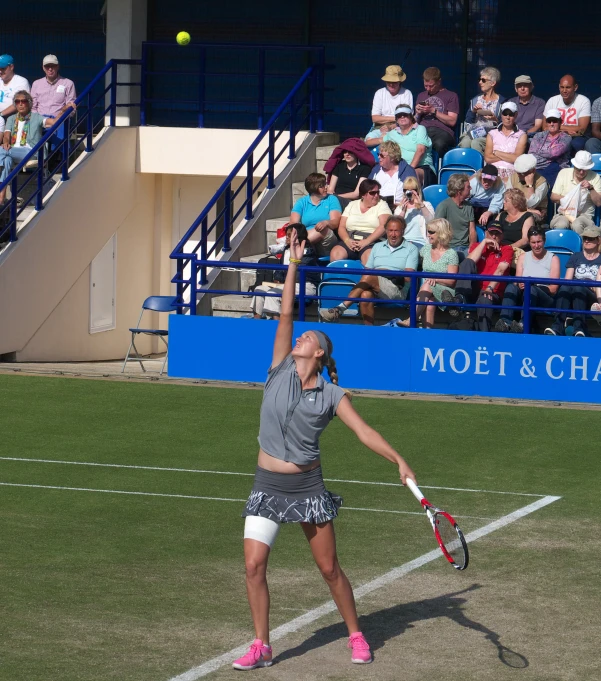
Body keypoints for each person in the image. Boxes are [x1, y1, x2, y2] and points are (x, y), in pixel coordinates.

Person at [234, 226, 416, 670]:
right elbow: (285, 316)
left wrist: (399, 459)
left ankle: (356, 634)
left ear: (319, 355)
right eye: (301, 338)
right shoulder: (278, 368)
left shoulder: (334, 396)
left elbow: (364, 432)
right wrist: (293, 264)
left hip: (308, 490)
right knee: (254, 567)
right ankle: (262, 644)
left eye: (308, 340)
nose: (300, 339)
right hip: (266, 484)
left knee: (330, 569)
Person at [320, 216, 418, 324]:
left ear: (403, 231)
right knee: (365, 294)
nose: (393, 234)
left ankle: (340, 308)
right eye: (390, 231)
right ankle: (369, 331)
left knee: (370, 276)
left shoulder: (411, 249)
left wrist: (381, 271)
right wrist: (379, 274)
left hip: (397, 288)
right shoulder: (377, 247)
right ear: (386, 231)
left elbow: (408, 277)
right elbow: (367, 271)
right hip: (376, 283)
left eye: (396, 231)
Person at [442, 221, 513, 332]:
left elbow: (500, 270)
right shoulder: (477, 246)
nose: (494, 236)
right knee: (467, 262)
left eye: (497, 234)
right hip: (473, 290)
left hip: (492, 292)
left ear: (502, 235)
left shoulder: (506, 249)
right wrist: (484, 242)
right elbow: (469, 261)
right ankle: (459, 299)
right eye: (491, 233)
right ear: (486, 233)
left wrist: (489, 288)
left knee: (485, 299)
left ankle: (484, 336)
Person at [394, 218, 458, 329]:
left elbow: (452, 281)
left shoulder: (451, 254)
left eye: (432, 232)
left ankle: (411, 319)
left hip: (445, 290)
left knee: (427, 284)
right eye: (428, 231)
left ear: (441, 233)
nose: (428, 235)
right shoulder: (426, 249)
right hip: (427, 291)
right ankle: (427, 334)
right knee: (429, 303)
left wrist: (436, 279)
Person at [495, 227, 560, 333]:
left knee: (531, 288)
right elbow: (517, 280)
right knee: (511, 286)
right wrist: (520, 284)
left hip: (544, 297)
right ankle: (505, 321)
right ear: (529, 242)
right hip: (525, 294)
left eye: (539, 241)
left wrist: (533, 285)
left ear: (544, 241)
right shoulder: (523, 257)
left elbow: (553, 289)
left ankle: (523, 324)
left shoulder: (553, 259)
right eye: (533, 242)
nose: (536, 245)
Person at [250, 224, 320, 319]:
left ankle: (276, 326)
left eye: (289, 235)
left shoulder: (307, 252)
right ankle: (257, 324)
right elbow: (280, 270)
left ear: (298, 235)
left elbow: (298, 275)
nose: (286, 237)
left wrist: (282, 283)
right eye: (286, 234)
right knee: (259, 290)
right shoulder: (286, 251)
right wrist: (277, 279)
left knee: (273, 293)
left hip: (305, 285)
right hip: (286, 284)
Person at [0, 91, 58, 205]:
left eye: (24, 101)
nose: (20, 104)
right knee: (6, 160)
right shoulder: (11, 119)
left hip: (31, 151)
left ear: (29, 103)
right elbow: (6, 135)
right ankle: (1, 198)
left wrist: (64, 110)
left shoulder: (36, 117)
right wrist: (5, 142)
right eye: (17, 101)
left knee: (2, 152)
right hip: (12, 152)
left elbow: (54, 122)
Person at [545, 226, 601, 337]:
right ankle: (557, 327)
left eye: (590, 238)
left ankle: (579, 328)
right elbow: (567, 280)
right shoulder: (576, 256)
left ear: (598, 240)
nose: (587, 241)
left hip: (592, 294)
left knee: (578, 287)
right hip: (575, 291)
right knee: (565, 287)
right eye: (585, 238)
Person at [329, 179, 392, 264]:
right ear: (363, 194)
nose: (376, 195)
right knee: (335, 253)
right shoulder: (352, 205)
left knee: (369, 257)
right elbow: (342, 226)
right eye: (372, 193)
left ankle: (366, 277)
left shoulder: (382, 205)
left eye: (378, 192)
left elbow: (384, 225)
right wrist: (347, 240)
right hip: (351, 239)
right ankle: (341, 277)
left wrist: (367, 241)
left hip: (372, 241)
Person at [549, 150, 601, 234]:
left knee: (577, 224)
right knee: (561, 224)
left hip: (585, 216)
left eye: (584, 169)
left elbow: (599, 203)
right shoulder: (563, 173)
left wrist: (591, 188)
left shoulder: (595, 177)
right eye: (579, 169)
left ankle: (582, 247)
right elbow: (553, 197)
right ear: (574, 166)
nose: (581, 172)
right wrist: (571, 199)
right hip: (564, 213)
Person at [289, 173, 341, 255]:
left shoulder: (331, 199)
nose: (326, 187)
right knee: (295, 231)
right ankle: (303, 247)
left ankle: (299, 246)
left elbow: (336, 222)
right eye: (322, 186)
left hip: (327, 240)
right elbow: (293, 224)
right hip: (307, 236)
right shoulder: (302, 202)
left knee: (322, 229)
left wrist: (326, 223)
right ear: (314, 188)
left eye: (326, 184)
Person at [384, 104, 436, 186]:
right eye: (399, 116)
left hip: (421, 167)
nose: (402, 117)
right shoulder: (391, 134)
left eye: (405, 115)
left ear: (411, 116)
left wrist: (408, 170)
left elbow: (421, 150)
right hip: (399, 168)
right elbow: (374, 142)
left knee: (411, 176)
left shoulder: (420, 129)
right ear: (396, 119)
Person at [414, 66, 459, 157]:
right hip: (423, 129)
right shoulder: (421, 95)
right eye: (425, 85)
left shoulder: (451, 96)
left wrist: (433, 111)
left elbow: (452, 121)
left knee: (439, 144)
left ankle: (437, 168)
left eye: (431, 86)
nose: (428, 89)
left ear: (439, 82)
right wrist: (418, 113)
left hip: (442, 131)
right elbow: (414, 122)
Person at [459, 67, 505, 153]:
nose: (480, 82)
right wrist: (473, 112)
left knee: (476, 143)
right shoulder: (475, 100)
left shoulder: (502, 102)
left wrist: (495, 119)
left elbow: (506, 124)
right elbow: (468, 121)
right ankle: (465, 165)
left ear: (493, 83)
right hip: (473, 132)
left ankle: (479, 166)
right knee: (465, 142)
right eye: (479, 79)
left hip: (491, 134)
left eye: (483, 80)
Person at [544, 75, 591, 153]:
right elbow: (545, 127)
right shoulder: (552, 101)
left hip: (576, 137)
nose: (564, 90)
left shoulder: (583, 101)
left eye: (568, 87)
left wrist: (556, 127)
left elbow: (582, 129)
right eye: (562, 87)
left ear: (575, 87)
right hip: (555, 135)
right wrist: (564, 131)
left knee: (577, 144)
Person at [484, 102, 527, 183]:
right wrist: (509, 155)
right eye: (505, 113)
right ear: (501, 115)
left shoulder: (522, 135)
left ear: (516, 115)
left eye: (511, 114)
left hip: (511, 172)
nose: (508, 117)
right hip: (492, 171)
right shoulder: (492, 134)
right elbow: (488, 158)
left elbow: (516, 159)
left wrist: (496, 152)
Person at [435, 173, 476, 258]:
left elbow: (472, 231)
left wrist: (471, 248)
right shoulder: (444, 206)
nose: (471, 188)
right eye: (468, 187)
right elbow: (436, 231)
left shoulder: (469, 207)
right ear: (459, 191)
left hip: (465, 248)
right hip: (448, 248)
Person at [366, 140, 417, 208]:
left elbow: (414, 196)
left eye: (382, 155)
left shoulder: (408, 171)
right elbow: (366, 190)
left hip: (401, 208)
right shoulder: (376, 170)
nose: (378, 157)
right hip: (376, 208)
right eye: (378, 154)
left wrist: (400, 205)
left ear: (392, 158)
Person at [529, 109, 572, 187]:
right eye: (549, 121)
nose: (552, 124)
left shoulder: (566, 138)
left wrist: (539, 150)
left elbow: (554, 153)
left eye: (555, 121)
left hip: (557, 167)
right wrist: (549, 150)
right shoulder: (538, 135)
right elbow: (532, 154)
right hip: (538, 166)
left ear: (560, 122)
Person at [506, 154, 549, 223]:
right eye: (518, 172)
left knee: (526, 216)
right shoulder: (512, 178)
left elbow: (531, 204)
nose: (519, 175)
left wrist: (530, 185)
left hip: (536, 213)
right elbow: (507, 201)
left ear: (533, 171)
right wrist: (527, 210)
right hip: (515, 210)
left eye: (523, 173)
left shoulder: (542, 183)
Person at [394, 176, 435, 247]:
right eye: (406, 190)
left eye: (412, 190)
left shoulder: (426, 205)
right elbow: (395, 226)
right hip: (403, 242)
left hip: (421, 242)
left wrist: (421, 205)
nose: (409, 193)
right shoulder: (399, 208)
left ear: (417, 191)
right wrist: (403, 211)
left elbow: (431, 222)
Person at [497, 188, 535, 252]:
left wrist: (508, 248)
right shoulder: (501, 215)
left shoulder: (527, 216)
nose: (503, 202)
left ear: (515, 203)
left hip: (518, 251)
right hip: (500, 249)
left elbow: (525, 240)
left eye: (506, 200)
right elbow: (491, 231)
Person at [0, 55, 30, 120]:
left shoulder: (21, 81)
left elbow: (19, 103)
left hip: (14, 118)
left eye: (3, 68)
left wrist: (1, 114)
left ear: (11, 67)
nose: (0, 71)